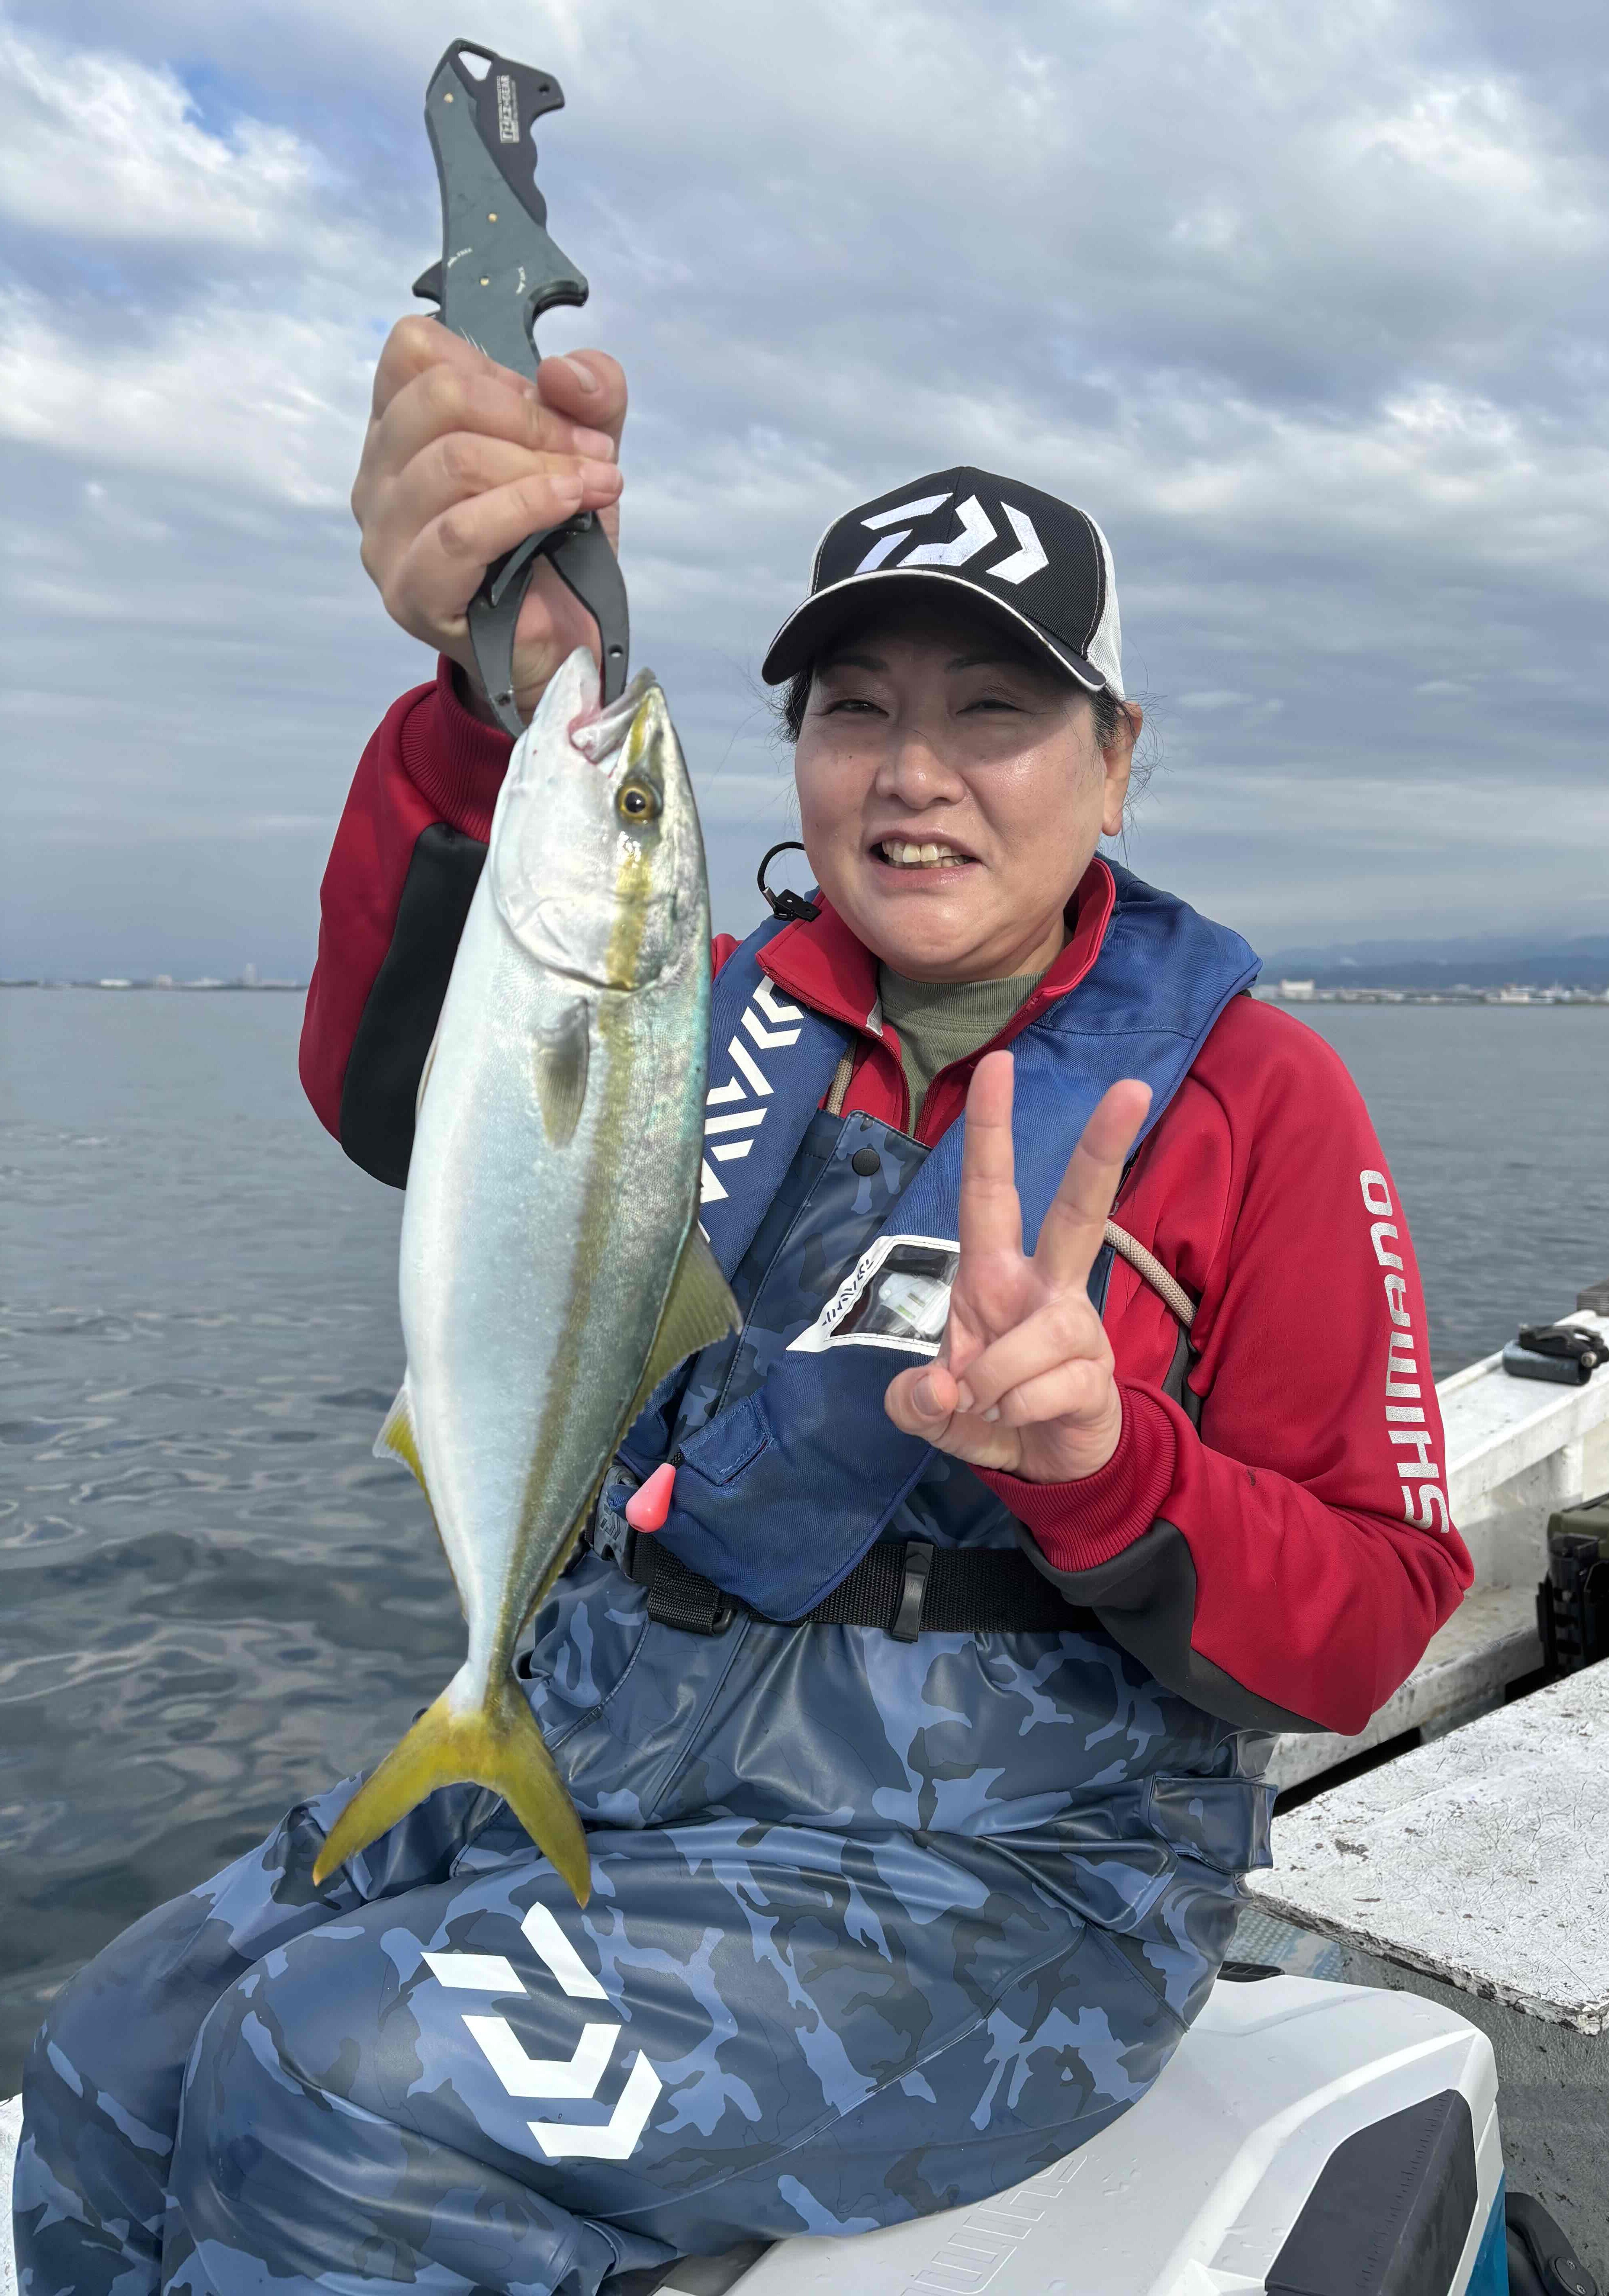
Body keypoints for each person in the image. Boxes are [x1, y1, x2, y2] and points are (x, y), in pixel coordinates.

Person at [15, 321, 1470, 2296]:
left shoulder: (1252, 1101)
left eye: (994, 711)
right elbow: (395, 1080)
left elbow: (1372, 1614)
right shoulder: (689, 1015)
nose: (914, 773)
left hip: (1017, 1885)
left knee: (331, 2084)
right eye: (855, 710)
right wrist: (483, 707)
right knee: (115, 2052)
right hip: (614, 1758)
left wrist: (1109, 1467)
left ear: (1118, 762)